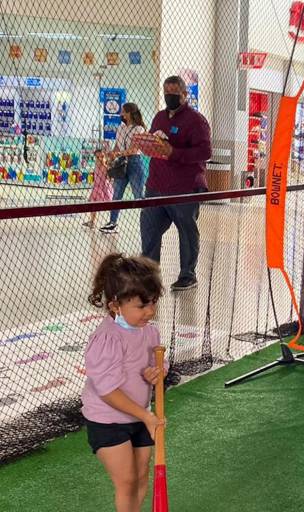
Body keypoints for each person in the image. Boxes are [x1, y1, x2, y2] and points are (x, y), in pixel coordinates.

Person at [81, 253, 168, 512]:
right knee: (127, 480)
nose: (150, 311)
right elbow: (107, 391)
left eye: (153, 303)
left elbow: (158, 363)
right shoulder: (107, 339)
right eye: (141, 306)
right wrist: (146, 416)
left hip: (141, 417)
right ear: (115, 306)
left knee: (142, 476)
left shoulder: (150, 330)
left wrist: (157, 371)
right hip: (107, 419)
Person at [140, 76, 211, 291]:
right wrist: (148, 145)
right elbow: (155, 140)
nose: (169, 96)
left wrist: (174, 152)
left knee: (186, 230)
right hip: (156, 185)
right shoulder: (160, 117)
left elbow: (205, 152)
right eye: (166, 92)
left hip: (184, 187)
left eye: (174, 93)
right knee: (149, 229)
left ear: (184, 94)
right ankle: (149, 275)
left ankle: (187, 275)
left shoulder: (196, 121)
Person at [100, 103, 147, 234]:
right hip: (121, 163)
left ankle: (149, 221)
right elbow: (117, 146)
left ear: (130, 113)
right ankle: (112, 223)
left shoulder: (139, 129)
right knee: (117, 194)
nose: (121, 114)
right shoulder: (120, 128)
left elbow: (134, 149)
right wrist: (111, 155)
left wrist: (119, 153)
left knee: (139, 195)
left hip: (134, 163)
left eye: (123, 112)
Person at [83, 146, 113, 229]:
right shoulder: (96, 165)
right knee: (93, 203)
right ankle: (92, 221)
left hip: (103, 187)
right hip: (96, 187)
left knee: (108, 204)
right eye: (97, 157)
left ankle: (113, 221)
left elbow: (109, 177)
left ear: (104, 156)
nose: (99, 158)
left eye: (101, 156)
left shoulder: (105, 166)